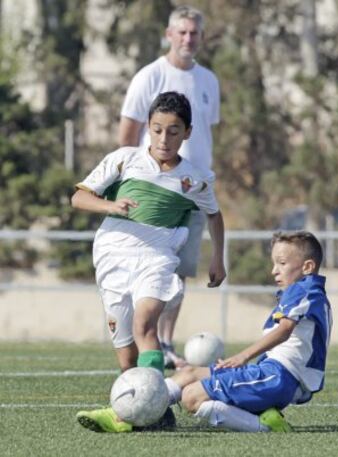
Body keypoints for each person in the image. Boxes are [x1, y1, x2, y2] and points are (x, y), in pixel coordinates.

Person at [72, 91, 226, 433]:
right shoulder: (124, 160)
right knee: (126, 354)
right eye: (157, 129)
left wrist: (218, 258)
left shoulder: (196, 178)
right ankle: (137, 410)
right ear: (148, 128)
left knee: (145, 324)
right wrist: (109, 206)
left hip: (157, 256)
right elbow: (79, 197)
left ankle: (155, 407)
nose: (164, 139)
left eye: (173, 131)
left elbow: (215, 217)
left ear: (186, 132)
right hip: (112, 254)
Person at [118, 5, 220, 368]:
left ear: (201, 37)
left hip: (192, 191)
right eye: (181, 32)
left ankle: (165, 342)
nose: (188, 38)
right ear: (168, 34)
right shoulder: (149, 76)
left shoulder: (209, 80)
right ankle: (138, 339)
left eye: (194, 33)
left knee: (179, 270)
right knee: (147, 266)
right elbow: (129, 134)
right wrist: (125, 182)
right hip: (153, 190)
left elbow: (206, 135)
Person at [163, 231, 333, 432]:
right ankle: (147, 405)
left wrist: (242, 356)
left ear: (307, 267)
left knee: (191, 397)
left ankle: (263, 426)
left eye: (282, 263)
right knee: (188, 372)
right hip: (273, 374)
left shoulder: (304, 289)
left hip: (279, 377)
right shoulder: (310, 293)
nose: (274, 271)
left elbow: (285, 330)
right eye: (274, 263)